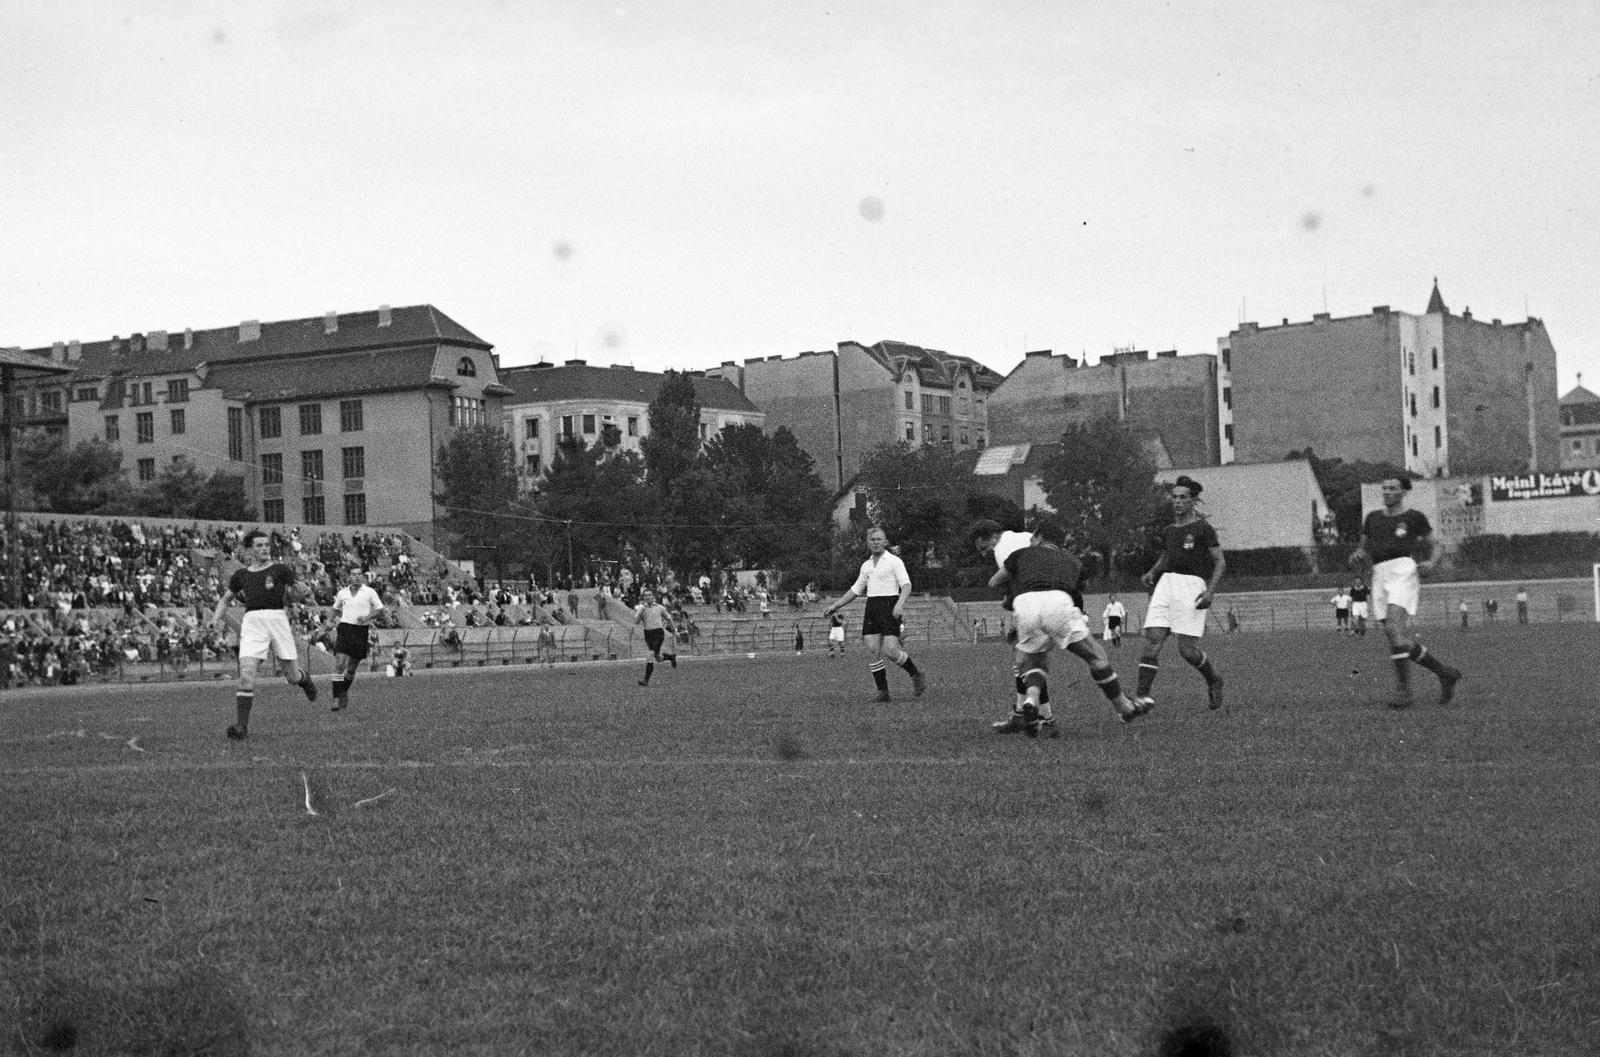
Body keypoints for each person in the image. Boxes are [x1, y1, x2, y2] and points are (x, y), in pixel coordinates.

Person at [990, 517, 1146, 736]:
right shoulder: (1072, 560)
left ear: (1036, 536)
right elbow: (1082, 585)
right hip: (1058, 602)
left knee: (1033, 662)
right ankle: (1124, 706)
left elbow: (994, 582)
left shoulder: (1019, 554)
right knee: (1096, 656)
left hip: (1025, 604)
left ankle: (1032, 700)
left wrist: (1013, 594)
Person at [1350, 476, 1462, 709]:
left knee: (1393, 630)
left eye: (1393, 488)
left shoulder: (1414, 517)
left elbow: (1437, 544)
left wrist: (1431, 563)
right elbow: (1363, 547)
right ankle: (1445, 673)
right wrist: (1358, 554)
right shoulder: (1372, 518)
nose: (1387, 492)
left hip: (1403, 571)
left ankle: (1404, 692)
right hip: (1379, 575)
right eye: (1385, 488)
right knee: (1396, 637)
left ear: (1403, 492)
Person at [207, 528, 318, 740]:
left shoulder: (280, 569)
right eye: (259, 545)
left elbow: (300, 589)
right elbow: (225, 600)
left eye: (266, 545)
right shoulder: (241, 575)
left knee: (292, 677)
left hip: (277, 620)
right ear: (249, 550)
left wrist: (302, 590)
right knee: (246, 674)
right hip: (252, 623)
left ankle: (304, 679)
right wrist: (214, 620)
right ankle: (241, 728)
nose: (264, 548)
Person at [1135, 475, 1226, 712]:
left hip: (1192, 587)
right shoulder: (1168, 531)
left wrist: (1210, 592)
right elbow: (1167, 556)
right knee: (1153, 638)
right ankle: (1142, 697)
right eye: (1174, 497)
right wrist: (1152, 572)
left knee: (1186, 651)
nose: (1177, 501)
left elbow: (1220, 562)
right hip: (1166, 585)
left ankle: (1213, 679)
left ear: (1193, 501)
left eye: (1182, 497)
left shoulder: (1203, 529)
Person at [822, 526, 926, 702]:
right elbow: (855, 590)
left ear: (885, 541)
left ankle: (915, 674)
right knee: (872, 650)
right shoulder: (866, 566)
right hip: (872, 607)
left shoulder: (894, 561)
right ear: (868, 543)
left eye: (879, 539)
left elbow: (906, 585)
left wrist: (899, 604)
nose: (876, 542)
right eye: (873, 540)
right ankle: (883, 692)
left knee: (891, 651)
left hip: (890, 605)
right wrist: (835, 605)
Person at [968, 519, 1038, 723]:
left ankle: (1038, 716)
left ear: (982, 539)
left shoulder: (1001, 550)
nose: (981, 551)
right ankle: (1021, 712)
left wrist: (1013, 617)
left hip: (1034, 604)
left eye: (978, 545)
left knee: (1026, 661)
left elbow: (1018, 585)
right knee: (1031, 659)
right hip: (1055, 597)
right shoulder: (1023, 536)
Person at [329, 566, 384, 712]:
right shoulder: (342, 593)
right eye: (354, 574)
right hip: (345, 628)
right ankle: (335, 699)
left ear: (363, 577)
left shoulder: (369, 592)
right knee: (340, 664)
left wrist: (367, 617)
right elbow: (335, 608)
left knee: (352, 668)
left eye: (360, 574)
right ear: (349, 577)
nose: (357, 577)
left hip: (361, 630)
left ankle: (343, 690)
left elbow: (380, 610)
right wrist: (329, 621)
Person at [634, 589, 676, 687]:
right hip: (648, 634)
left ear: (653, 596)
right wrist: (640, 612)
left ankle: (645, 680)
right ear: (643, 597)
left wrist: (674, 630)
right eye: (646, 595)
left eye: (649, 595)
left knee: (650, 655)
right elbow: (636, 622)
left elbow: (669, 618)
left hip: (658, 633)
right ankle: (671, 657)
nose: (648, 597)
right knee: (658, 658)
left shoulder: (659, 607)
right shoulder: (642, 609)